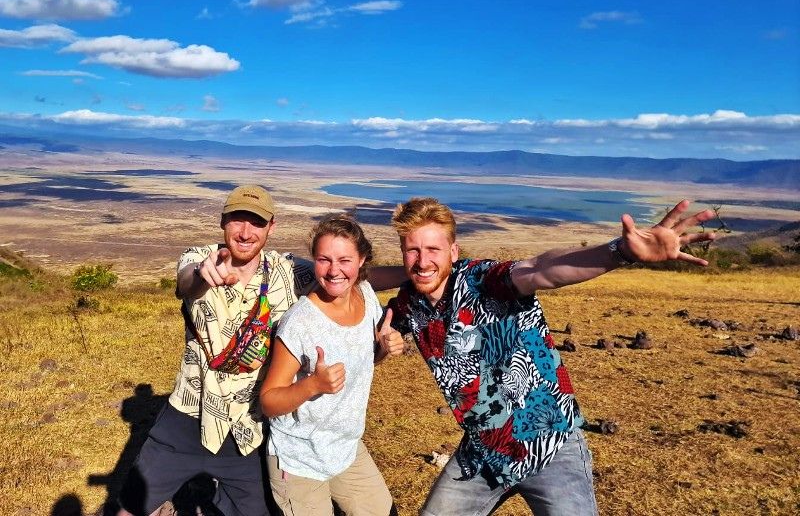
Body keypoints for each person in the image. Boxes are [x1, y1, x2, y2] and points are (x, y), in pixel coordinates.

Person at [386, 197, 716, 516]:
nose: (423, 260)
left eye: (433, 249)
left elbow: (542, 268)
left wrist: (621, 251)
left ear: (453, 251)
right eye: (412, 250)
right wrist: (384, 342)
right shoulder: (408, 303)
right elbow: (361, 287)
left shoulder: (483, 281)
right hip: (484, 450)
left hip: (550, 442)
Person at [117, 187, 404, 516]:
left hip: (249, 429)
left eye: (256, 222)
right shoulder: (199, 258)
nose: (245, 231)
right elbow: (187, 280)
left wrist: (416, 271)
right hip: (187, 418)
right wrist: (202, 275)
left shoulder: (286, 270)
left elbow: (342, 271)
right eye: (237, 220)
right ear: (223, 222)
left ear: (271, 227)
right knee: (131, 508)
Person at [260, 215, 404, 516]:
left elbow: (363, 360)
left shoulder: (365, 295)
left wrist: (382, 349)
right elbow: (269, 401)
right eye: (324, 260)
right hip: (299, 458)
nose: (334, 270)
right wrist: (311, 385)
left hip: (345, 447)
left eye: (344, 260)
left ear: (362, 260)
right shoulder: (299, 322)